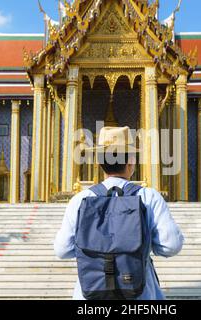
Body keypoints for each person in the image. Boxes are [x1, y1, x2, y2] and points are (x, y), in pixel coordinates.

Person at [54, 126, 184, 300]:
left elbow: (62, 250)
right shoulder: (148, 196)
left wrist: (93, 251)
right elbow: (171, 245)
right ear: (131, 161)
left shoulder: (81, 199)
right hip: (140, 294)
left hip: (92, 294)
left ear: (99, 163)